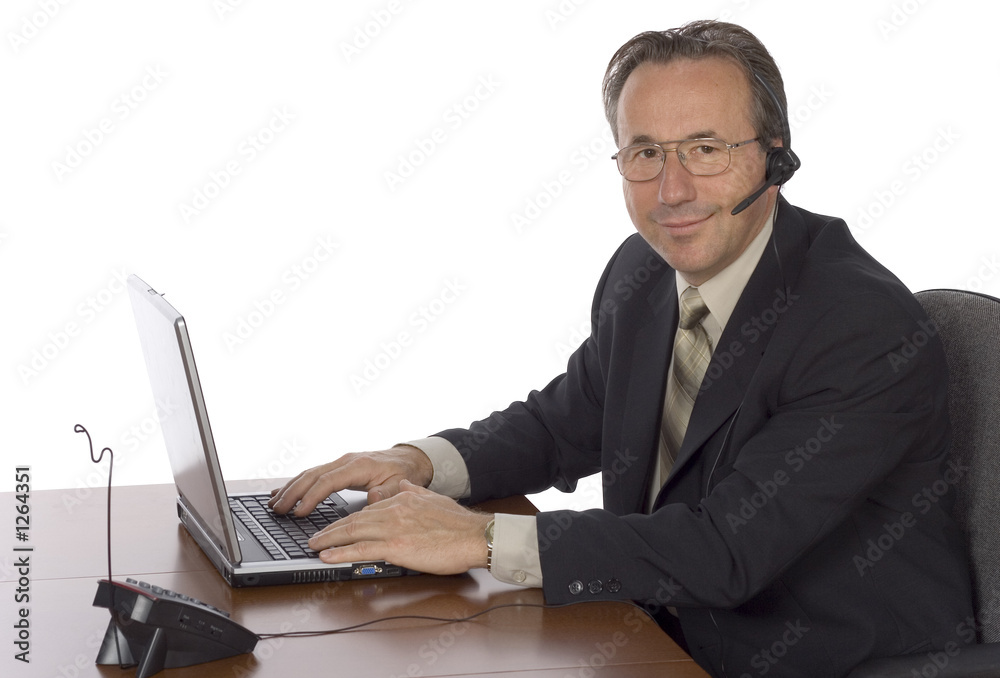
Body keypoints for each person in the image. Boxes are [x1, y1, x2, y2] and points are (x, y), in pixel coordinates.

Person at [270, 20, 973, 677]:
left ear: (776, 155)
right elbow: (562, 424)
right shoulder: (642, 274)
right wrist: (419, 462)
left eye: (706, 149)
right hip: (655, 628)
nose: (672, 190)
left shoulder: (858, 326)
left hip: (818, 657)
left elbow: (728, 549)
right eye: (645, 154)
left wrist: (483, 541)